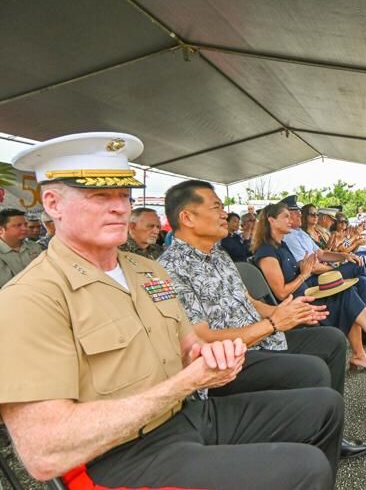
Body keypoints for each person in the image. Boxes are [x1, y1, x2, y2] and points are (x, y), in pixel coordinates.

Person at [0, 132, 343, 489]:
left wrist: (209, 354)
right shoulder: (30, 298)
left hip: (189, 413)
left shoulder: (146, 270)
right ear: (53, 204)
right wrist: (186, 381)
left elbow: (189, 343)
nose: (120, 207)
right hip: (125, 453)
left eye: (123, 195)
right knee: (305, 467)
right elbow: (43, 453)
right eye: (100, 196)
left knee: (324, 407)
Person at [158, 180, 366, 459]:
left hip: (263, 337)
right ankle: (309, 449)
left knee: (332, 340)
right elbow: (202, 339)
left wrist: (286, 312)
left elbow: (250, 302)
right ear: (187, 217)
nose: (224, 214)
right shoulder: (170, 269)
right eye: (217, 207)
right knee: (312, 371)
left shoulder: (218, 255)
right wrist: (272, 324)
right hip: (233, 359)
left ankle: (329, 432)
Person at [254, 202, 366, 372]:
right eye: (286, 216)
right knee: (347, 298)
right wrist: (304, 274)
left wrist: (343, 255)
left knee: (347, 292)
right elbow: (281, 294)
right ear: (271, 221)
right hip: (299, 303)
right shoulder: (266, 253)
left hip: (308, 293)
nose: (292, 219)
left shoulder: (281, 245)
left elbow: (317, 256)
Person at [281, 196, 366, 310]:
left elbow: (322, 254)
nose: (300, 214)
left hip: (323, 269)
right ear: (287, 216)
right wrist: (335, 268)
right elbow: (312, 267)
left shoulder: (300, 233)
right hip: (315, 277)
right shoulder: (289, 236)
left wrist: (345, 256)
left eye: (299, 212)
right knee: (358, 265)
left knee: (363, 279)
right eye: (296, 212)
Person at [0, 208, 43, 288]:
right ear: (1, 230)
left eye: (25, 224)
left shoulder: (35, 247)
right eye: (18, 225)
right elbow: (6, 285)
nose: (24, 228)